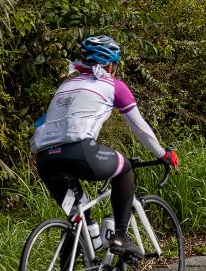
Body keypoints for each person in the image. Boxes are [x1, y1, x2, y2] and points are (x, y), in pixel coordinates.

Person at [31, 35, 178, 260]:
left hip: (45, 159)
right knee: (125, 169)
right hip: (80, 152)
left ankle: (81, 243)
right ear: (110, 65)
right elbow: (140, 128)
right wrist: (163, 153)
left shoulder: (65, 86)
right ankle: (120, 236)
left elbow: (41, 123)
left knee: (79, 215)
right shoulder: (114, 86)